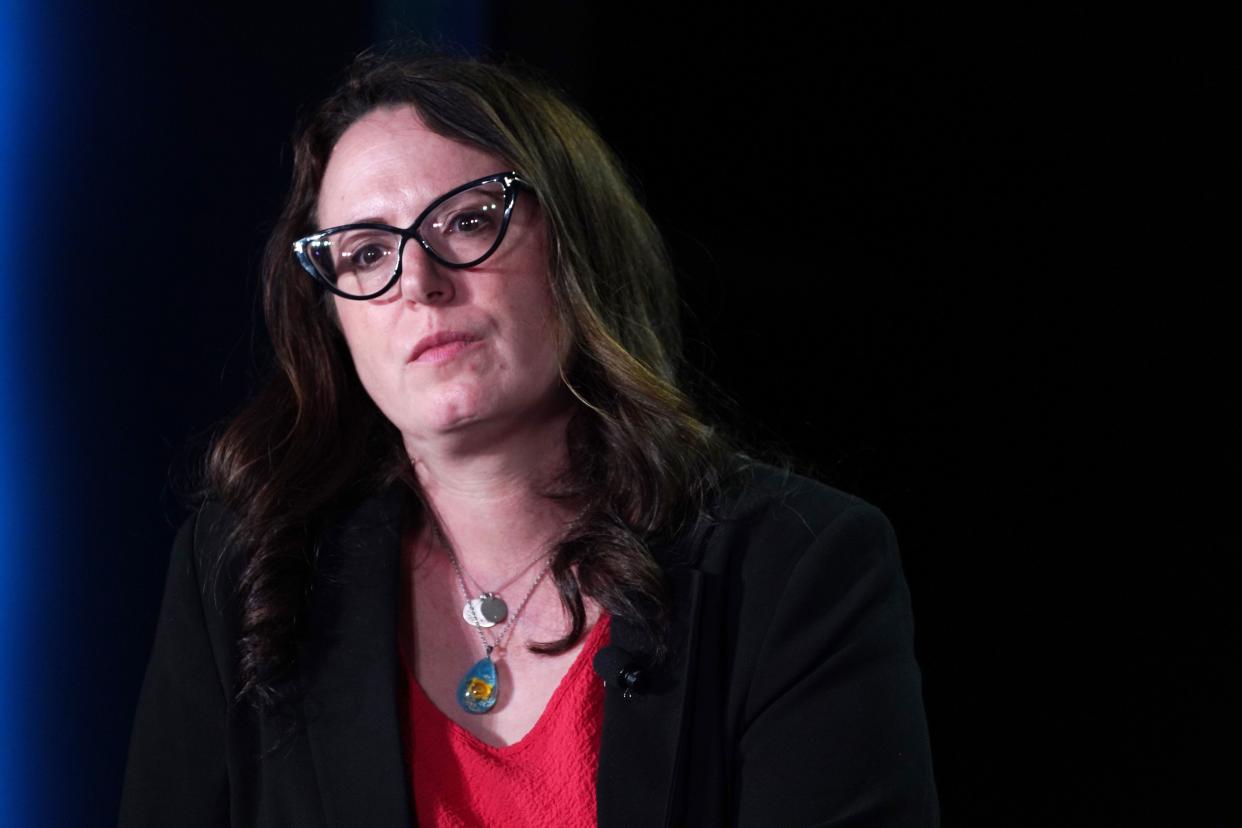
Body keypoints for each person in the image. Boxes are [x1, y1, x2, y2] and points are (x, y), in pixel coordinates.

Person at [119, 50, 939, 827]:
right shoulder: (246, 569)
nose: (419, 282)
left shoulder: (795, 565)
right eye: (366, 253)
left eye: (470, 221)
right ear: (330, 318)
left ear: (576, 244)